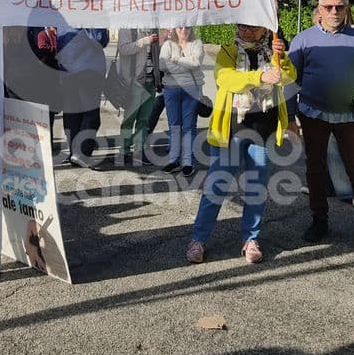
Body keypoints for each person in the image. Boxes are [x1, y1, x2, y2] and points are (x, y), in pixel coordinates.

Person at [288, 0, 354, 255]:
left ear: (346, 9)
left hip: (349, 117)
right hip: (312, 115)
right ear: (319, 10)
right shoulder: (302, 40)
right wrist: (288, 117)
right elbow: (289, 82)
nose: (334, 11)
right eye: (328, 7)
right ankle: (319, 221)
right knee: (316, 170)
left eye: (339, 7)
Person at [186, 24, 295, 264]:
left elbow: (288, 77)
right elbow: (225, 79)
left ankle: (251, 238)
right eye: (242, 27)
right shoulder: (229, 51)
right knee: (217, 186)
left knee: (256, 190)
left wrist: (283, 58)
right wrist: (259, 76)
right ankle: (198, 238)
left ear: (263, 28)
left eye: (252, 28)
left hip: (263, 132)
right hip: (232, 132)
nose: (245, 31)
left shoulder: (273, 51)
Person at [57, 27, 109, 168]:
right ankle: (81, 153)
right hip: (88, 72)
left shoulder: (62, 19)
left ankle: (75, 153)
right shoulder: (91, 16)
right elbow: (100, 39)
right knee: (89, 114)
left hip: (68, 72)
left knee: (73, 114)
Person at [159, 26, 204, 177]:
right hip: (171, 89)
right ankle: (173, 160)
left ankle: (187, 162)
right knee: (174, 125)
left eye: (187, 27)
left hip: (191, 89)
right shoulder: (167, 45)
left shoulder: (197, 43)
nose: (183, 30)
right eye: (180, 27)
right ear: (174, 29)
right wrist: (186, 65)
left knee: (189, 126)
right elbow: (163, 65)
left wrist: (176, 60)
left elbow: (196, 63)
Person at [117, 28, 162, 165]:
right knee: (129, 119)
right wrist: (145, 41)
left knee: (144, 119)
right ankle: (123, 151)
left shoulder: (153, 26)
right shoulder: (126, 26)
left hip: (151, 81)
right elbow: (123, 49)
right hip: (134, 81)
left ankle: (139, 151)